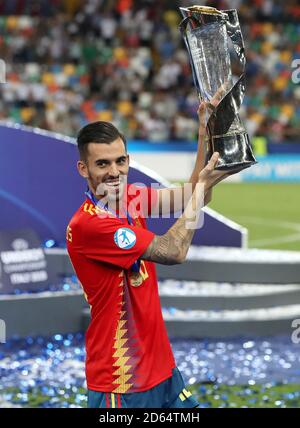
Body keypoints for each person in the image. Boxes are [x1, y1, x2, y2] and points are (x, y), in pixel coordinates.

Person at [66, 102, 231, 408]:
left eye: (120, 161)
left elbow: (193, 195)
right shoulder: (90, 224)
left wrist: (203, 132)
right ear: (83, 168)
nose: (114, 172)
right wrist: (200, 192)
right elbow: (174, 250)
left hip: (162, 369)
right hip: (121, 381)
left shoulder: (131, 197)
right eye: (102, 164)